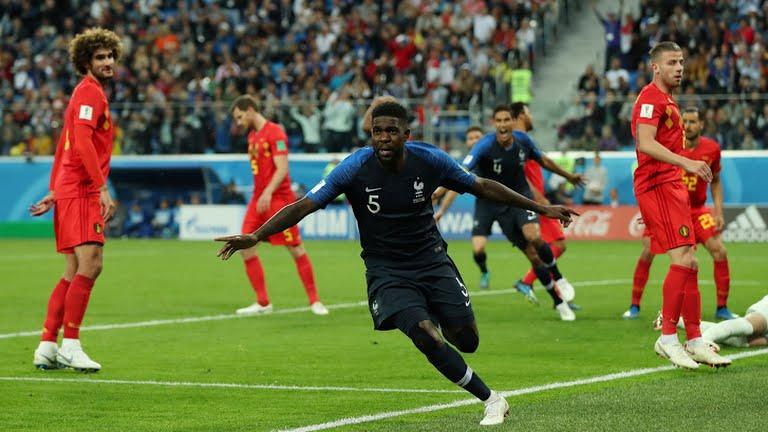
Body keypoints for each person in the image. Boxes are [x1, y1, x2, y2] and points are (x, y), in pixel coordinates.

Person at [216, 100, 578, 426]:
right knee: (425, 335)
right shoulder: (354, 167)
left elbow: (482, 185)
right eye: (377, 131)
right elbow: (302, 206)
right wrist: (256, 236)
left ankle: (435, 313)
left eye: (391, 131)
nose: (384, 138)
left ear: (407, 134)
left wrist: (542, 208)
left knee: (466, 340)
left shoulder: (430, 159)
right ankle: (492, 399)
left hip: (432, 262)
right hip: (386, 271)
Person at [631, 41, 731, 369]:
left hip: (671, 186)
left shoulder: (669, 101)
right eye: (673, 62)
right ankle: (668, 337)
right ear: (655, 67)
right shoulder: (650, 98)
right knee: (683, 260)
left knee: (692, 263)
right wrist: (685, 163)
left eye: (682, 62)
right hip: (657, 185)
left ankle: (696, 339)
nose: (680, 68)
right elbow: (645, 143)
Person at [434, 104, 584, 321]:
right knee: (532, 257)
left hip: (521, 199)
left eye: (507, 120)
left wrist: (568, 176)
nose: (503, 124)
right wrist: (440, 190)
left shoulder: (523, 141)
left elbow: (544, 161)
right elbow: (462, 170)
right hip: (497, 207)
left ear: (513, 122)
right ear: (494, 124)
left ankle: (559, 278)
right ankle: (559, 302)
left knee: (534, 236)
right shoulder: (484, 145)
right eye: (499, 121)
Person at [29, 28, 122, 372]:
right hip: (82, 189)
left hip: (71, 187)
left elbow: (64, 142)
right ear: (86, 62)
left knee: (72, 271)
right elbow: (81, 142)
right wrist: (100, 187)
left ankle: (47, 346)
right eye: (100, 57)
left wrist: (55, 189)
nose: (108, 62)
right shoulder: (89, 93)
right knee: (91, 263)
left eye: (111, 55)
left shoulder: (87, 94)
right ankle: (71, 344)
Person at [624, 107, 737, 321]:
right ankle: (634, 305)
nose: (688, 125)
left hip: (696, 211)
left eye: (693, 121)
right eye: (685, 120)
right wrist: (650, 209)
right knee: (648, 251)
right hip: (669, 209)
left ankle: (722, 307)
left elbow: (716, 181)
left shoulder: (712, 149)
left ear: (702, 124)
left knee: (719, 251)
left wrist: (719, 211)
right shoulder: (670, 146)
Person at [230, 95, 328, 316]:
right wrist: (262, 193)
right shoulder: (252, 136)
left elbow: (282, 168)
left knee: (294, 248)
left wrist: (267, 191)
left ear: (250, 110)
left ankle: (315, 301)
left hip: (278, 198)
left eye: (239, 116)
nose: (238, 122)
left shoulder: (275, 132)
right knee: (244, 246)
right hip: (259, 199)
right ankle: (263, 302)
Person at [510, 106, 575, 308]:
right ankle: (527, 281)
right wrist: (542, 201)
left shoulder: (525, 141)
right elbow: (521, 176)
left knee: (545, 248)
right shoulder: (519, 141)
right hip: (536, 203)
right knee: (557, 245)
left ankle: (558, 297)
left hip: (536, 201)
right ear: (520, 115)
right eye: (529, 112)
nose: (531, 116)